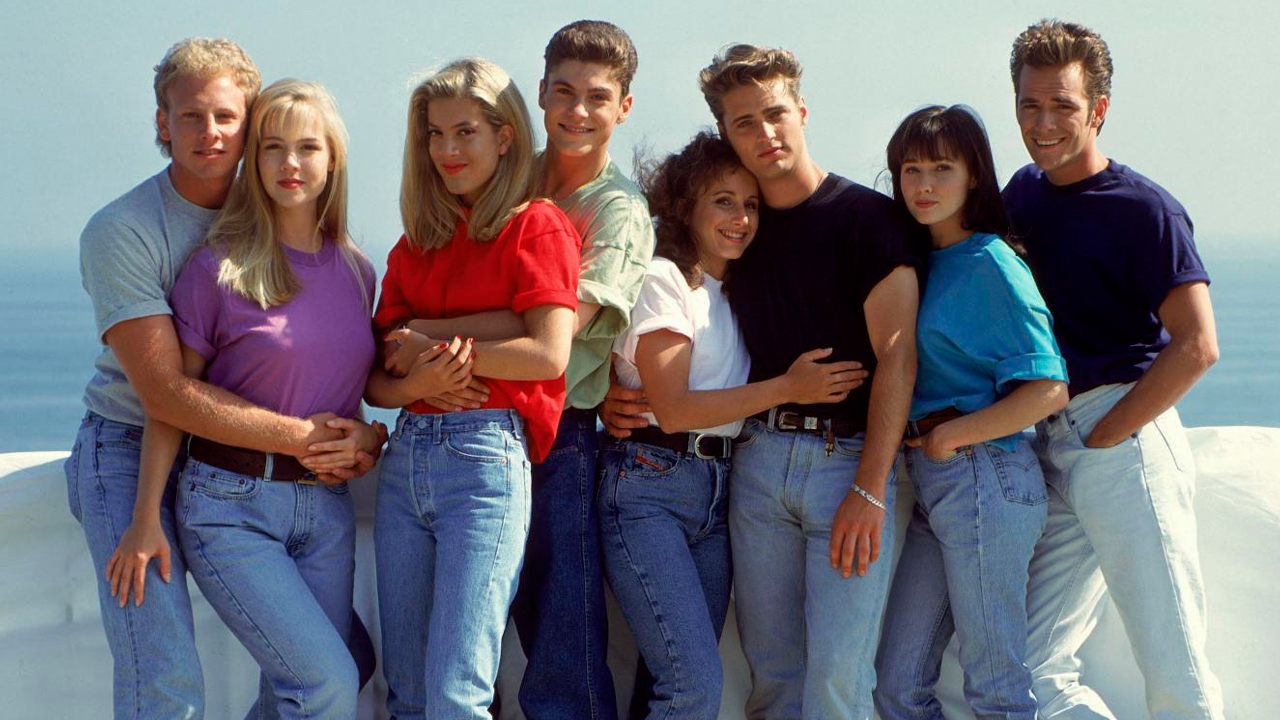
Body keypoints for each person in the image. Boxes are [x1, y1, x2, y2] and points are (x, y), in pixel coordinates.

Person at [605, 44, 918, 718]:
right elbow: (665, 327)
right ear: (727, 133)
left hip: (845, 465)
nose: (765, 133)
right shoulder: (740, 230)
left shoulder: (866, 218)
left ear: (802, 111)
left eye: (775, 113)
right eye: (744, 122)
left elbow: (899, 358)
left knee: (838, 678)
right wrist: (611, 390)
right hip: (753, 466)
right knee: (771, 676)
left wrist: (871, 486)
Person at [67, 38, 377, 719]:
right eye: (191, 116)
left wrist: (367, 438)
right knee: (165, 672)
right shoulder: (124, 230)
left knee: (341, 662)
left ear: (250, 124)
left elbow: (327, 363)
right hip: (129, 445)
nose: (210, 132)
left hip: (247, 461)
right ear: (162, 122)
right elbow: (164, 395)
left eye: (227, 117)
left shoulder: (281, 217)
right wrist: (305, 439)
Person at [393, 22, 655, 720]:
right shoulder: (502, 170)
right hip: (466, 431)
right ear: (538, 95)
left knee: (559, 637)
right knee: (458, 647)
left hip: (559, 436)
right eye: (563, 92)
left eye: (598, 97)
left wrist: (425, 336)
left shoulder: (618, 211)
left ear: (624, 107)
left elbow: (554, 333)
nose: (577, 111)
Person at [1002, 19, 1224, 720]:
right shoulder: (1022, 194)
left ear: (1098, 109)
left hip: (1122, 440)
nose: (1043, 123)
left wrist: (1108, 435)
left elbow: (1197, 344)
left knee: (1175, 669)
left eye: (1062, 105)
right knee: (1027, 671)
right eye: (1030, 104)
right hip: (1048, 443)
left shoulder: (1145, 210)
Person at [366, 57, 581, 719]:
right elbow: (378, 379)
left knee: (457, 695)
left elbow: (547, 353)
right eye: (435, 134)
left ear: (504, 136)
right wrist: (420, 379)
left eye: (465, 132)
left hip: (485, 462)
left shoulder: (536, 225)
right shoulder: (414, 244)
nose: (447, 150)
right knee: (407, 695)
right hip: (405, 459)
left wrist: (430, 342)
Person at [872, 105, 1069, 720]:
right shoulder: (923, 260)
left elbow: (1049, 388)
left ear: (974, 175)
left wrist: (948, 436)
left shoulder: (991, 263)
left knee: (996, 689)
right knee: (897, 687)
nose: (924, 185)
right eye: (911, 170)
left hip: (985, 477)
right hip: (938, 485)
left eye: (942, 169)